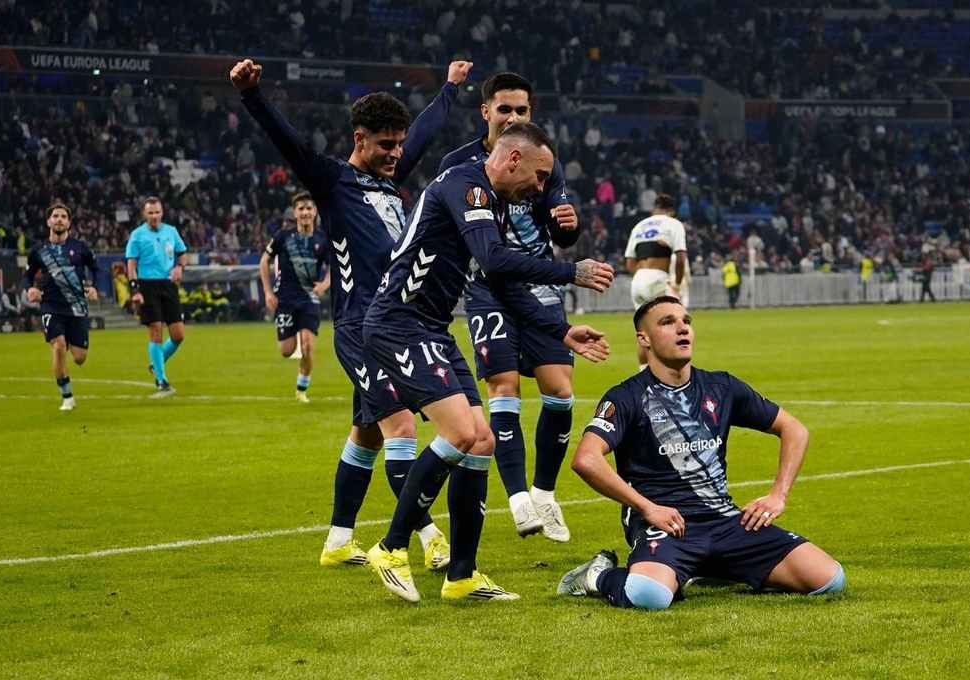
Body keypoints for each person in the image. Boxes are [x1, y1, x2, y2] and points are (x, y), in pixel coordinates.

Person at [361, 121, 615, 602]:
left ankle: (462, 576)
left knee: (480, 442)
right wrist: (570, 272)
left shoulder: (492, 204)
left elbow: (499, 283)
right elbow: (496, 262)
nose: (541, 189)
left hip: (431, 328)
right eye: (540, 177)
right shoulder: (464, 183)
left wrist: (560, 330)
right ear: (514, 159)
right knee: (460, 433)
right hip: (397, 322)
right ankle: (391, 547)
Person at [232, 57, 468, 569]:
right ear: (359, 139)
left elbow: (425, 135)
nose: (396, 154)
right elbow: (288, 143)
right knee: (403, 429)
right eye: (385, 145)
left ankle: (338, 539)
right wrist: (252, 95)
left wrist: (448, 89)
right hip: (361, 329)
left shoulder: (392, 180)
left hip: (396, 325)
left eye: (398, 144)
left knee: (366, 435)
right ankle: (426, 540)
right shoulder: (332, 181)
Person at [557, 296, 845, 609]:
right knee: (648, 596)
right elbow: (586, 459)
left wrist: (779, 494)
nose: (682, 328)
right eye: (667, 322)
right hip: (667, 524)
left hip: (725, 521)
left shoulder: (722, 387)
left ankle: (713, 565)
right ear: (645, 339)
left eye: (686, 322)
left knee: (829, 579)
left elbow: (794, 430)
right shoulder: (626, 396)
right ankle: (598, 576)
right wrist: (647, 508)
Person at [436, 72, 582, 542]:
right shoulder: (460, 164)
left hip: (538, 283)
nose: (514, 117)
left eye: (522, 110)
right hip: (487, 287)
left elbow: (559, 232)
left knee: (560, 391)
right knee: (504, 387)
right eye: (505, 109)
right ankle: (519, 499)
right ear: (486, 112)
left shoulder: (545, 160)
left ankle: (544, 492)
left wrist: (567, 226)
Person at [24, 202, 99, 411]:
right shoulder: (39, 250)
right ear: (49, 221)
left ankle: (68, 354)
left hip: (77, 307)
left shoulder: (80, 248)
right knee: (58, 345)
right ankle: (67, 396)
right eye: (55, 216)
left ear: (69, 222)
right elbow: (27, 276)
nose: (59, 219)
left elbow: (96, 269)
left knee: (79, 358)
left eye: (63, 217)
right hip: (51, 305)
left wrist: (93, 287)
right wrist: (29, 289)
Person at [261, 192, 331, 403]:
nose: (305, 212)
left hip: (309, 299)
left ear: (315, 211)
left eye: (309, 208)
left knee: (308, 345)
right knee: (286, 350)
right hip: (285, 300)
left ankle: (301, 389)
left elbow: (334, 267)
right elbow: (264, 261)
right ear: (295, 212)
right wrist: (267, 292)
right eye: (301, 208)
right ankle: (298, 367)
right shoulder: (283, 236)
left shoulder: (322, 239)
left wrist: (325, 284)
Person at [124, 196, 186, 397]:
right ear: (144, 214)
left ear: (162, 213)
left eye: (157, 212)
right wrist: (135, 290)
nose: (154, 216)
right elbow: (131, 264)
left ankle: (156, 363)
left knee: (178, 335)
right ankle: (162, 379)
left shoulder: (171, 231)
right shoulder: (137, 235)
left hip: (168, 285)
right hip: (147, 285)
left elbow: (182, 253)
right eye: (150, 213)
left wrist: (179, 267)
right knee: (156, 331)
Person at [625, 194, 688, 369]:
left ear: (655, 207)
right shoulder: (673, 224)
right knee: (676, 326)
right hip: (658, 279)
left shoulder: (639, 226)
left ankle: (643, 379)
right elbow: (681, 257)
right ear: (672, 211)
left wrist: (643, 276)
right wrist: (676, 284)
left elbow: (629, 262)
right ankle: (673, 376)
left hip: (638, 280)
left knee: (644, 332)